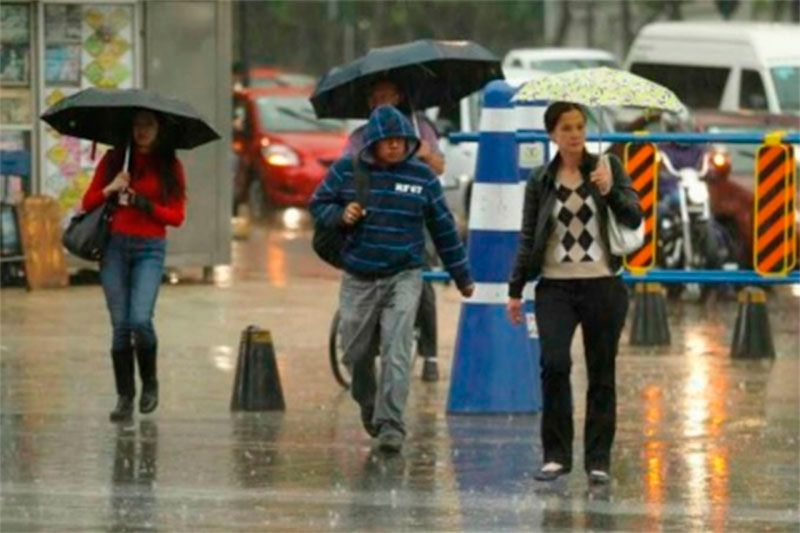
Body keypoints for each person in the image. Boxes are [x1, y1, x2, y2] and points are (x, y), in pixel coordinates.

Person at [311, 105, 474, 453]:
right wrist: (341, 214)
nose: (396, 146)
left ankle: (391, 424)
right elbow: (318, 204)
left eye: (402, 140)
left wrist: (461, 276)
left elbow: (444, 229)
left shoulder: (422, 178)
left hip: (405, 274)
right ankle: (368, 402)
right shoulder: (347, 171)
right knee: (355, 353)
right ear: (373, 142)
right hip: (358, 276)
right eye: (389, 141)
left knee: (397, 349)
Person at [507, 102, 642, 485]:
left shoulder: (607, 167)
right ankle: (556, 456)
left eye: (580, 126)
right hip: (555, 287)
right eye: (566, 127)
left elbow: (634, 216)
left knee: (601, 373)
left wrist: (611, 190)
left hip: (602, 285)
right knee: (554, 365)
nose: (575, 134)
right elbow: (528, 236)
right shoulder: (540, 180)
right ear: (552, 134)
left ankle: (598, 459)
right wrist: (515, 289)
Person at [81, 110, 186, 422]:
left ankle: (150, 382)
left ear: (159, 130)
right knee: (120, 326)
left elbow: (177, 216)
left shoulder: (170, 165)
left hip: (149, 250)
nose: (142, 131)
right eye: (137, 125)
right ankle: (125, 396)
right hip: (114, 247)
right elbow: (87, 202)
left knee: (140, 320)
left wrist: (146, 205)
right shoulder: (115, 160)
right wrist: (111, 188)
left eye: (148, 125)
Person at [343, 78, 444, 382]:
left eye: (386, 95)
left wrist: (426, 154)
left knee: (422, 283)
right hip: (372, 219)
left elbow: (439, 167)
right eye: (375, 97)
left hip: (414, 218)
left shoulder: (420, 127)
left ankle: (430, 353)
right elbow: (342, 174)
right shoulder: (359, 136)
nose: (380, 101)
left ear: (399, 95)